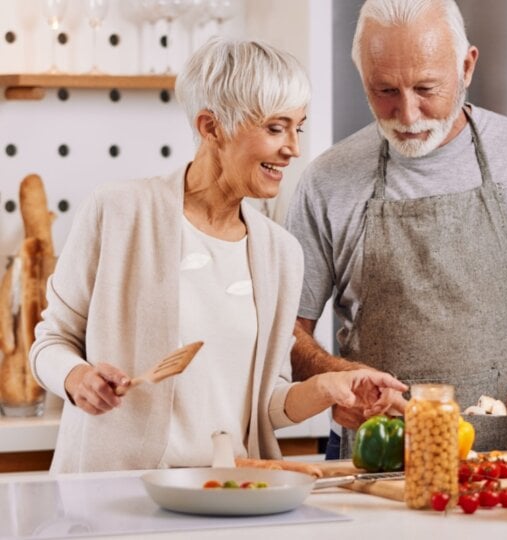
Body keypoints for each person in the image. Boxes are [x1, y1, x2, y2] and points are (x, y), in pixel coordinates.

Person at [29, 37, 406, 473]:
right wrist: (77, 379)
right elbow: (50, 342)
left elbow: (267, 404)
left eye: (297, 128)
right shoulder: (118, 212)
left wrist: (329, 387)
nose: (293, 148)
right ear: (211, 128)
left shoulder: (279, 253)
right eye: (274, 128)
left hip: (229, 495)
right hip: (116, 495)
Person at [285, 0, 507, 455]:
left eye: (426, 88)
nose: (407, 115)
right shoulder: (326, 180)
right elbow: (285, 331)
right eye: (384, 90)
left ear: (466, 67)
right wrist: (333, 379)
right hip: (384, 461)